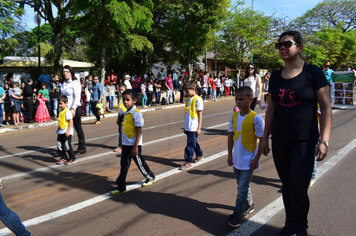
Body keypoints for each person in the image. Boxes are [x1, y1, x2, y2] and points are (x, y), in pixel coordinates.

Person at [262, 31, 332, 236]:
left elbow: (326, 107)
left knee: (298, 189)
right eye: (279, 45)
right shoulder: (275, 77)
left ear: (300, 47)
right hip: (281, 140)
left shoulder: (313, 73)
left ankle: (302, 228)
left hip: (304, 140)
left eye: (288, 44)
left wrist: (324, 140)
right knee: (286, 185)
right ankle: (290, 223)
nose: (282, 47)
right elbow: (271, 109)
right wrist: (265, 137)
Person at [226, 86, 264, 228]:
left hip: (248, 160)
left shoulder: (257, 119)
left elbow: (262, 140)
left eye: (241, 99)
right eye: (236, 99)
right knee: (242, 185)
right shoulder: (234, 116)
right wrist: (230, 155)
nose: (238, 102)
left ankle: (237, 215)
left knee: (241, 188)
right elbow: (230, 137)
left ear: (250, 100)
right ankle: (249, 204)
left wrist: (256, 159)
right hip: (236, 158)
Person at [110, 89, 156, 195]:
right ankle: (121, 186)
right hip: (126, 144)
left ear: (134, 100)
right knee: (124, 165)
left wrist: (136, 147)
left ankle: (150, 176)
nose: (125, 102)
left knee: (140, 162)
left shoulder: (136, 114)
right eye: (123, 100)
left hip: (134, 144)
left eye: (127, 100)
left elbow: (139, 130)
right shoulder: (126, 112)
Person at [61, 65, 86, 155]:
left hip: (74, 108)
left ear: (71, 72)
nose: (65, 73)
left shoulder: (75, 82)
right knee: (63, 127)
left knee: (77, 127)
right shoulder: (63, 83)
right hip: (65, 109)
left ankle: (82, 147)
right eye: (64, 72)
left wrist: (73, 109)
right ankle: (63, 148)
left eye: (67, 71)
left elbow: (77, 97)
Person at [180, 81, 204, 170]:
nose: (186, 93)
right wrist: (185, 127)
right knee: (193, 142)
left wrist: (199, 128)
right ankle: (200, 154)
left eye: (187, 91)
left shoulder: (198, 99)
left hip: (194, 126)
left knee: (190, 144)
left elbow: (200, 114)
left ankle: (188, 161)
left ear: (193, 89)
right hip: (188, 126)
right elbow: (186, 114)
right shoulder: (187, 100)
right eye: (185, 92)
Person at [55, 95, 77, 165]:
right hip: (61, 131)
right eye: (59, 104)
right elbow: (61, 121)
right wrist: (58, 129)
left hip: (67, 131)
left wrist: (68, 131)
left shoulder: (67, 111)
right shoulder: (61, 111)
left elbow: (71, 121)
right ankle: (63, 157)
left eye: (61, 104)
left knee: (67, 145)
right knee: (59, 145)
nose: (60, 105)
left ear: (66, 103)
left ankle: (72, 158)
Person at [114, 84, 127, 152]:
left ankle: (121, 145)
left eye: (122, 90)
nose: (121, 91)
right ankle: (121, 145)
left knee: (124, 131)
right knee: (120, 131)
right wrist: (118, 118)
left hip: (126, 116)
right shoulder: (121, 98)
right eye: (120, 90)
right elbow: (120, 109)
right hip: (121, 116)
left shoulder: (127, 99)